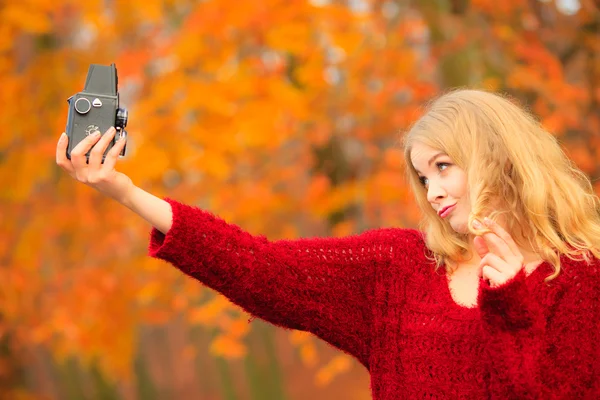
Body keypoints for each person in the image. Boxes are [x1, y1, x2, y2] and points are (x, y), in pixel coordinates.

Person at [56, 89, 600, 399]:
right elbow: (262, 268)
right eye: (422, 178)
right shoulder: (399, 268)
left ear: (498, 157)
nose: (432, 192)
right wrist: (124, 192)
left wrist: (511, 308)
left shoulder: (582, 278)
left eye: (442, 167)